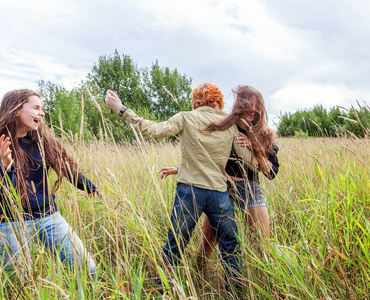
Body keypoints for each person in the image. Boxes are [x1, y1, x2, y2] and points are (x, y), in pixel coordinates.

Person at [105, 83, 258, 293]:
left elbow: (151, 130)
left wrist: (121, 109)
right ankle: (236, 295)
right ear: (218, 101)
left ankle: (163, 293)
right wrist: (254, 147)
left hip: (189, 192)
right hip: (218, 194)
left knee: (175, 246)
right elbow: (251, 163)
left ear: (196, 101)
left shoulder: (186, 117)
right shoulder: (229, 125)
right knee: (231, 248)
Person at [0, 89, 98, 282]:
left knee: (87, 268)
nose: (41, 113)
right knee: (19, 282)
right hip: (10, 222)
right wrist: (6, 165)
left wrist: (87, 185)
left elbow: (65, 166)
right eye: (36, 108)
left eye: (42, 109)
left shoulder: (43, 142)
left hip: (49, 217)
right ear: (17, 110)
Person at [160, 85, 279, 260]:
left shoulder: (264, 135)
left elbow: (271, 173)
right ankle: (200, 274)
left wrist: (253, 147)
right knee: (206, 247)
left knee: (264, 246)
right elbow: (209, 157)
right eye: (247, 112)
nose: (251, 116)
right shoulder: (224, 126)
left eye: (255, 113)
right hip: (221, 190)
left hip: (250, 191)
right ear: (238, 109)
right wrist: (179, 169)